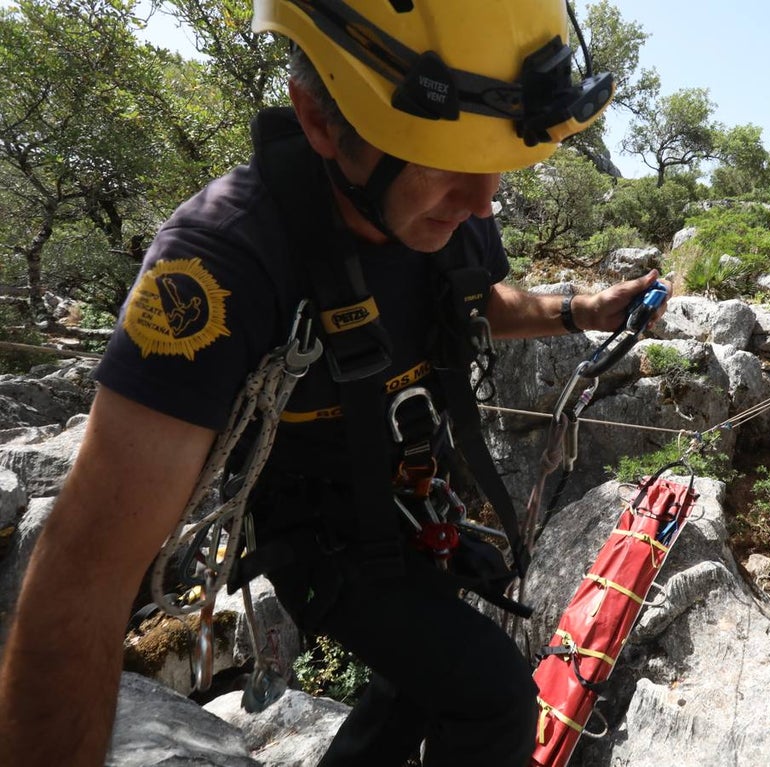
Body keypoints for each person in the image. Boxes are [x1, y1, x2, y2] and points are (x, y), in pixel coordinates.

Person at [0, 2, 669, 765]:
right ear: (320, 120)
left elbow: (473, 299)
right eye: (447, 161)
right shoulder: (219, 265)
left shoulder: (446, 206)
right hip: (318, 537)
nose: (484, 201)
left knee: (413, 684)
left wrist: (583, 309)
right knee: (493, 697)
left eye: (497, 162)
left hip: (412, 506)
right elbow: (80, 582)